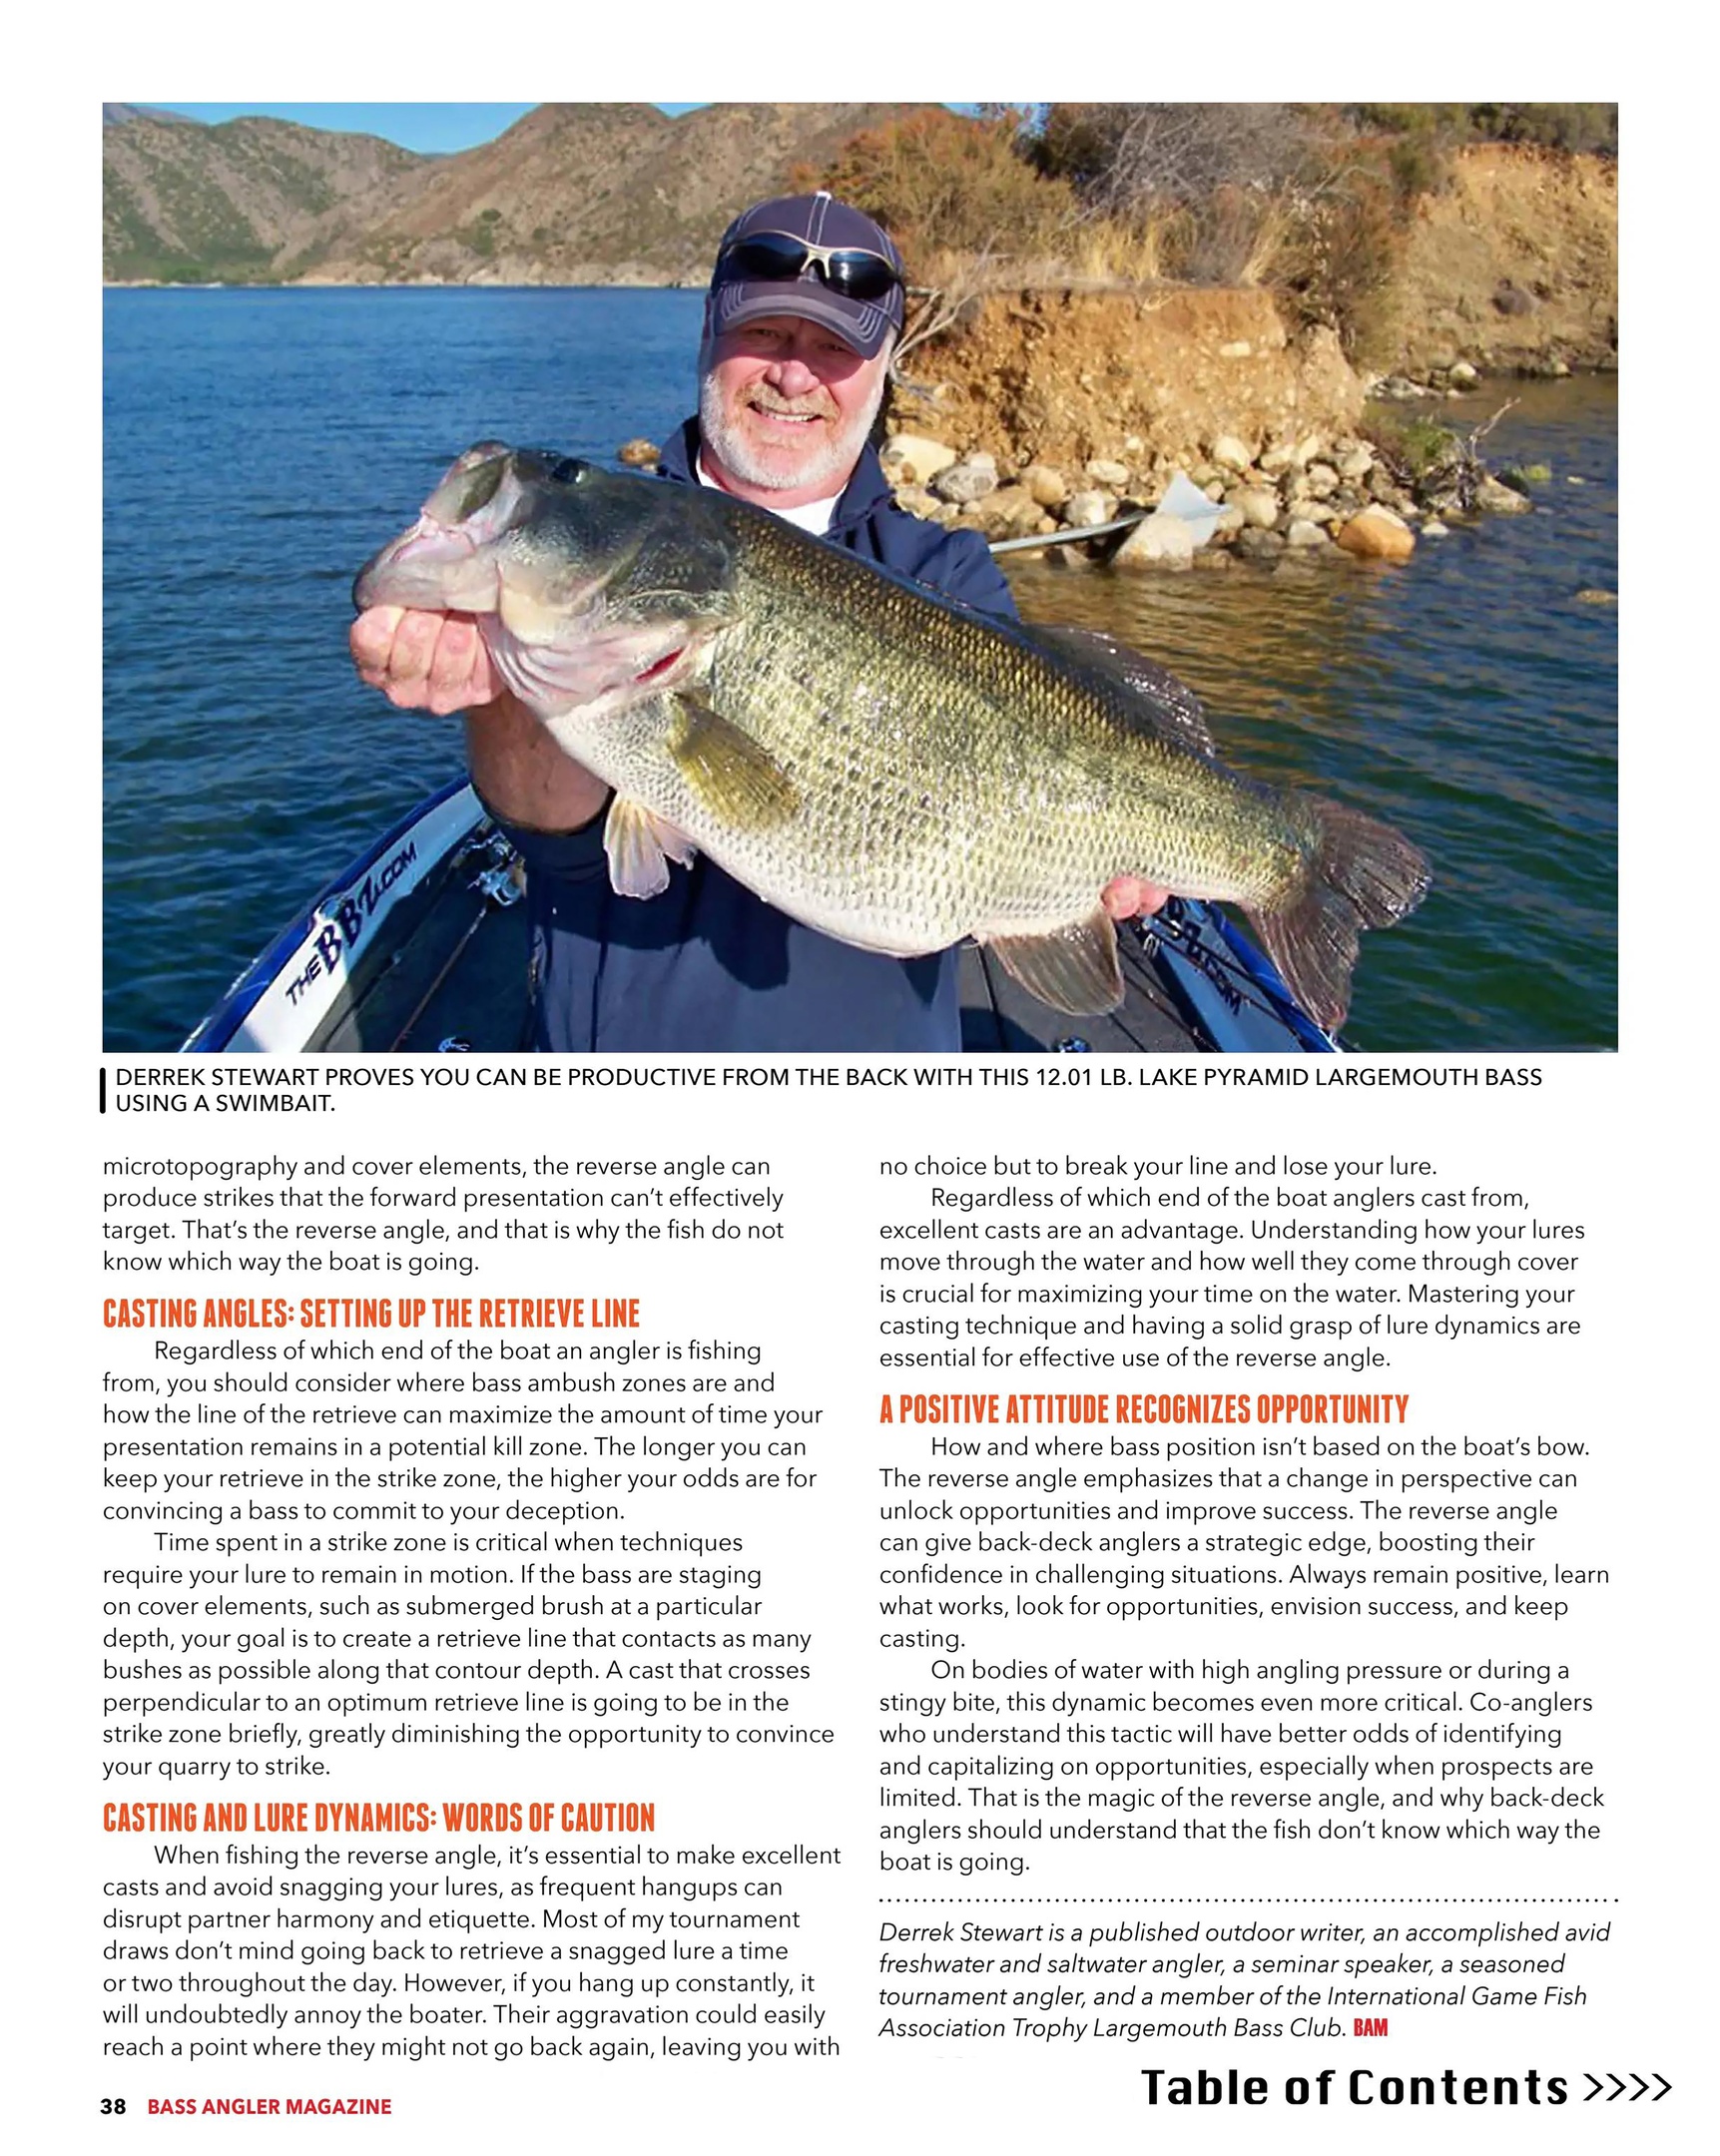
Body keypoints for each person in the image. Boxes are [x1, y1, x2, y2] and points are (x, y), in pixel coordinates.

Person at [350, 192, 1164, 1051]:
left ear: (884, 365)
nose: (793, 376)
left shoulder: (946, 571)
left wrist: (1087, 870)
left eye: (834, 347)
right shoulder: (628, 542)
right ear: (709, 331)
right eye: (766, 333)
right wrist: (501, 686)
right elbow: (550, 834)